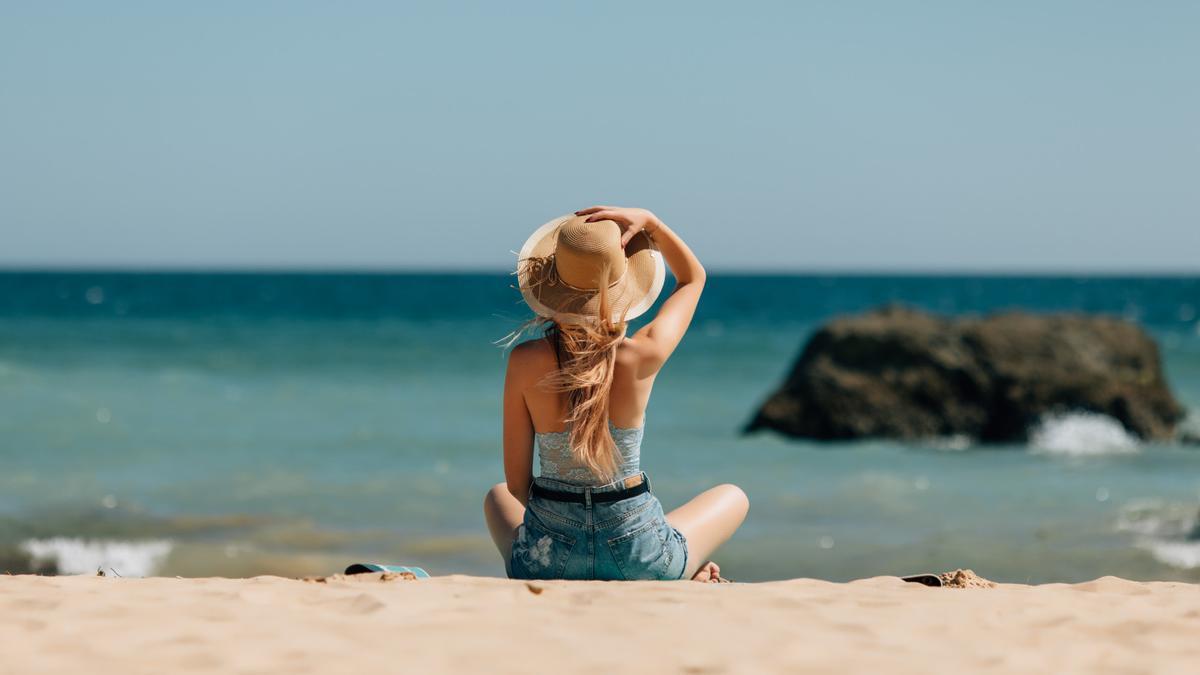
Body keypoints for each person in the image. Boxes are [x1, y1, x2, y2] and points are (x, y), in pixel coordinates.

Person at [484, 206, 749, 582]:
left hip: (548, 562)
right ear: (625, 287)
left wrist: (565, 526)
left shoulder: (524, 361)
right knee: (734, 495)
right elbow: (693, 279)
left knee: (495, 496)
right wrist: (652, 223)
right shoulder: (643, 353)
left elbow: (516, 486)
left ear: (551, 289)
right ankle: (682, 564)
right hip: (640, 557)